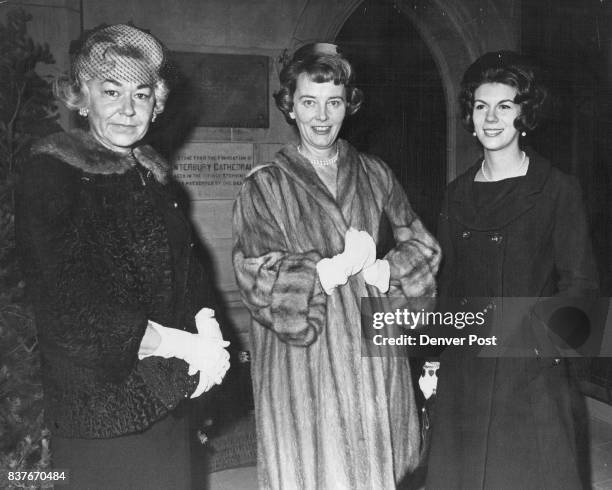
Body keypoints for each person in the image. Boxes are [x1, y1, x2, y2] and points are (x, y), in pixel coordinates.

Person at [15, 24, 230, 489]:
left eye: (141, 93)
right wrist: (182, 345)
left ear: (158, 102)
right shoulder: (50, 174)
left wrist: (207, 327)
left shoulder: (150, 174)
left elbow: (186, 267)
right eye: (110, 91)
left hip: (165, 396)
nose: (128, 110)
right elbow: (71, 306)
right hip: (100, 409)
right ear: (80, 96)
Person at [232, 43, 441, 489]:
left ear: (349, 105)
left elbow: (422, 246)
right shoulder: (265, 185)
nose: (321, 116)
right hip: (304, 368)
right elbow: (254, 274)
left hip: (375, 358)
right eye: (309, 102)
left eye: (333, 102)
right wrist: (326, 272)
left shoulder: (375, 173)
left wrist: (383, 271)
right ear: (290, 106)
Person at [426, 51, 599, 489]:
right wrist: (434, 356)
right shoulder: (455, 195)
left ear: (524, 113)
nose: (491, 118)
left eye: (505, 106)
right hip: (466, 374)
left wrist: (539, 348)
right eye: (481, 106)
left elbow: (582, 285)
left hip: (531, 378)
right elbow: (446, 287)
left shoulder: (557, 189)